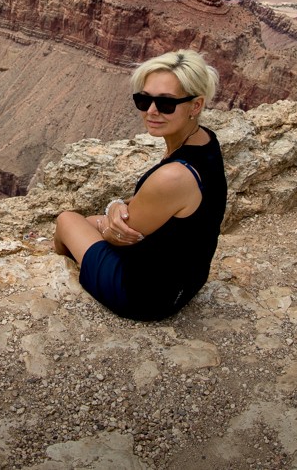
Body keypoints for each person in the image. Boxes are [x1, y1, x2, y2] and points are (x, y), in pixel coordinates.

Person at [53, 49, 228, 321]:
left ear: (196, 106)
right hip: (187, 279)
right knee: (88, 222)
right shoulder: (204, 141)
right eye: (143, 100)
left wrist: (111, 221)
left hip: (144, 295)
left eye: (167, 103)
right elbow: (143, 213)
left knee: (67, 220)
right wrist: (115, 208)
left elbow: (120, 236)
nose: (151, 111)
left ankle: (58, 268)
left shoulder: (174, 177)